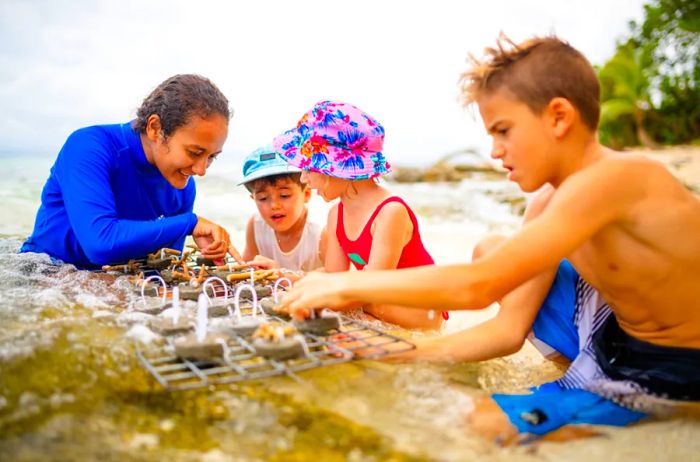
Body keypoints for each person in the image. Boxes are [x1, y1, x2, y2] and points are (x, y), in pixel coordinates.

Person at [276, 37, 700, 440]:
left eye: (503, 131)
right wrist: (398, 354)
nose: (495, 152)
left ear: (558, 117)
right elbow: (507, 330)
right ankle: (572, 379)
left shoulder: (618, 178)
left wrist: (342, 282)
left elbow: (481, 286)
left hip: (671, 366)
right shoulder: (545, 205)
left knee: (477, 424)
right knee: (496, 252)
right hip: (609, 336)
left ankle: (612, 407)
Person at [21, 74, 243, 270]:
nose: (201, 170)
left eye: (212, 157)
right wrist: (188, 224)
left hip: (106, 286)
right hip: (43, 276)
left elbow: (159, 268)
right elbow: (101, 244)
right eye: (194, 152)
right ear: (155, 128)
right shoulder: (89, 147)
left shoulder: (182, 186)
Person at [273, 100, 445, 330]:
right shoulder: (336, 214)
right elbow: (333, 273)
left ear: (336, 166)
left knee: (348, 306)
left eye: (309, 168)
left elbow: (371, 288)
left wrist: (312, 295)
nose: (303, 179)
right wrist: (283, 277)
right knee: (332, 298)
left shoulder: (390, 212)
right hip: (378, 300)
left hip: (422, 310)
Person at [239, 145, 326, 273]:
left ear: (307, 194)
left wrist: (281, 275)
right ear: (253, 199)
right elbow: (246, 269)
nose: (274, 205)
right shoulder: (256, 225)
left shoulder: (321, 231)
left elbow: (338, 279)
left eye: (284, 195)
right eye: (263, 198)